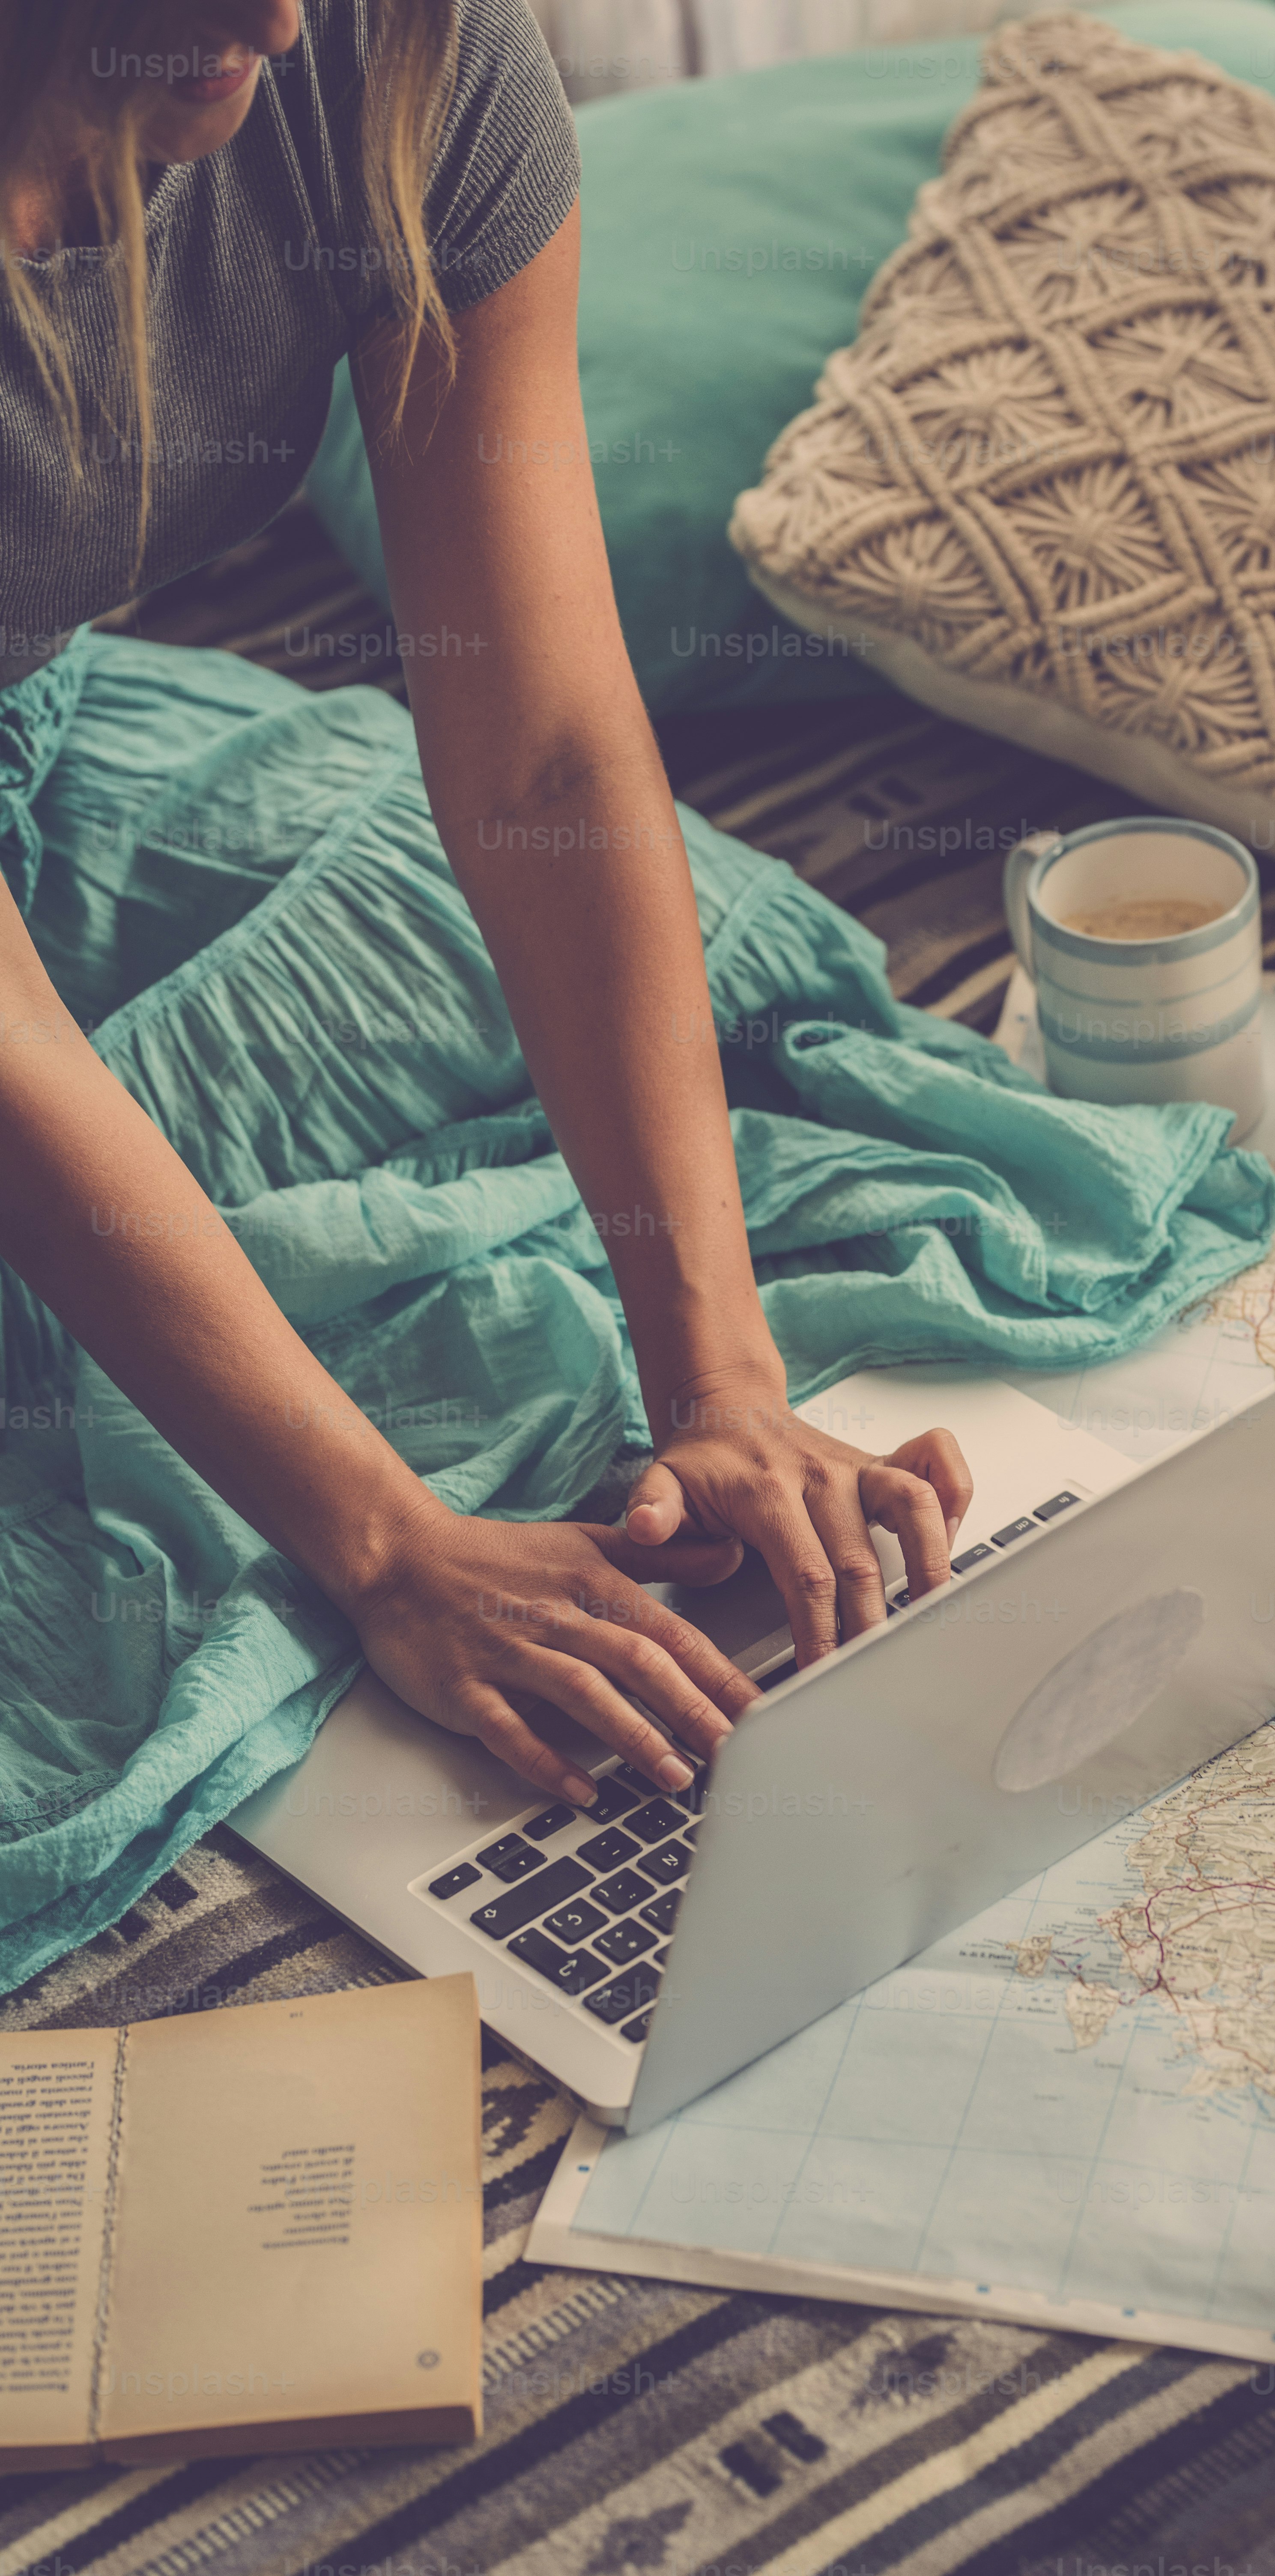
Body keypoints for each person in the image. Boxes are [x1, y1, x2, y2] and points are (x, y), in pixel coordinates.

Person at [0, 0, 972, 1816]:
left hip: (46, 708)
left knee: (749, 977)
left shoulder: (397, 40)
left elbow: (537, 757)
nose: (281, 23)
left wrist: (722, 1382)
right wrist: (386, 1546)